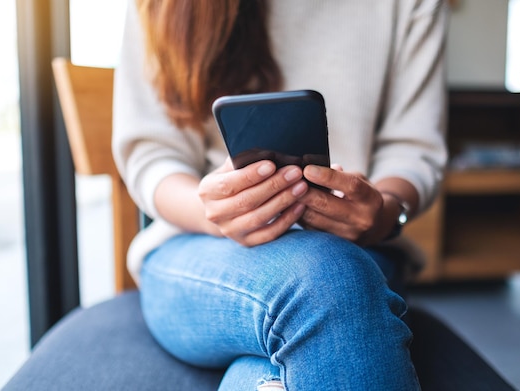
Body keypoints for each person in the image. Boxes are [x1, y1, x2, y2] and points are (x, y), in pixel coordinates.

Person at [112, 0, 449, 389]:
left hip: (359, 248)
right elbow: (152, 156)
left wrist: (383, 212)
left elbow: (413, 151)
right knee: (327, 279)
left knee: (270, 371)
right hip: (198, 244)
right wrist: (211, 210)